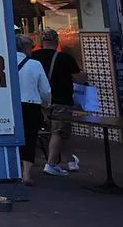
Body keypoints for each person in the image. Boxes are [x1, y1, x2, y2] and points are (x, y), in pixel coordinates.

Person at [31, 28, 86, 176]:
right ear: (56, 42)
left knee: (52, 132)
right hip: (61, 100)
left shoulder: (32, 57)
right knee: (58, 132)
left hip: (40, 101)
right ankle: (51, 164)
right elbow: (78, 78)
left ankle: (67, 161)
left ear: (41, 42)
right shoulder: (65, 58)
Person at [15, 34, 51, 185]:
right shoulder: (35, 64)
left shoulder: (4, 61)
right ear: (26, 47)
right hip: (31, 105)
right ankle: (26, 174)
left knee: (14, 137)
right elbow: (45, 90)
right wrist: (46, 104)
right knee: (29, 138)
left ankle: (13, 170)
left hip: (12, 105)